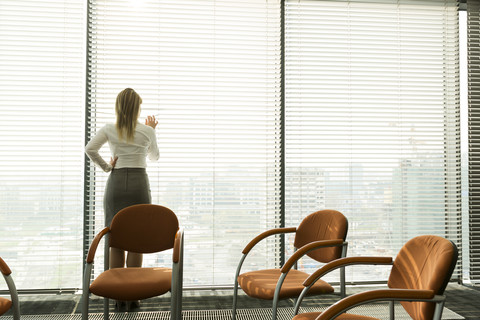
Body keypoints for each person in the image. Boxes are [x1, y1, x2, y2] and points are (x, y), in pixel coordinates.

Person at [85, 88, 159, 310]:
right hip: (139, 184)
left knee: (115, 238)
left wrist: (107, 166)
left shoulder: (109, 128)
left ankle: (118, 298)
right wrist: (151, 133)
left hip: (116, 183)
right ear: (138, 108)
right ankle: (133, 297)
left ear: (118, 107)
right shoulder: (147, 130)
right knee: (136, 239)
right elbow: (154, 157)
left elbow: (90, 149)